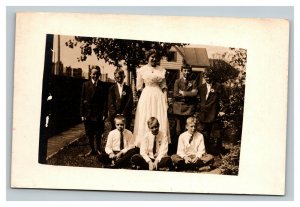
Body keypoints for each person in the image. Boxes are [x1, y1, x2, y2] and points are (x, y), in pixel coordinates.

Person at [133, 49, 170, 147]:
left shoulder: (161, 70)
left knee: (159, 116)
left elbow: (164, 86)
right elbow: (139, 87)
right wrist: (144, 98)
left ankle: (160, 143)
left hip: (158, 96)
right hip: (147, 96)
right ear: (148, 58)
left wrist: (165, 100)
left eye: (155, 57)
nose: (154, 59)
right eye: (152, 57)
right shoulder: (142, 70)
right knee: (145, 116)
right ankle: (144, 144)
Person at [198, 68, 227, 155]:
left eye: (209, 76)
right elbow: (198, 100)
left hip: (214, 115)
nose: (208, 79)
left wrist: (223, 111)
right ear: (203, 77)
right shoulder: (201, 87)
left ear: (212, 76)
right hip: (203, 115)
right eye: (206, 77)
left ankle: (218, 153)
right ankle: (206, 152)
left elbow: (226, 100)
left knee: (217, 135)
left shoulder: (218, 87)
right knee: (204, 135)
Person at [80, 65, 107, 156]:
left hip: (98, 113)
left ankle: (98, 149)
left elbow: (104, 101)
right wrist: (82, 114)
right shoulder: (85, 85)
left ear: (99, 74)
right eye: (93, 74)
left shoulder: (103, 85)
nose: (95, 76)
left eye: (96, 74)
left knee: (99, 132)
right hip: (88, 113)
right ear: (90, 74)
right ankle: (92, 149)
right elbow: (82, 100)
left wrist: (104, 113)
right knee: (89, 132)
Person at [172, 64, 198, 153]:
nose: (187, 72)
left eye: (188, 71)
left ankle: (188, 150)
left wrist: (183, 93)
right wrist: (189, 94)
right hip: (179, 110)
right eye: (185, 70)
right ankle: (176, 149)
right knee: (178, 130)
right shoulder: (177, 81)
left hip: (189, 109)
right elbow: (175, 94)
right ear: (182, 71)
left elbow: (195, 94)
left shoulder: (193, 82)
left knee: (188, 130)